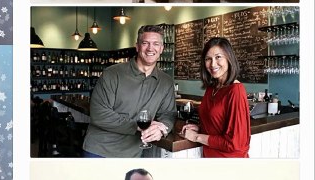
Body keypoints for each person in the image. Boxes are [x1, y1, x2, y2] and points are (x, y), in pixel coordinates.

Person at [82, 25, 177, 157]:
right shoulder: (112, 73)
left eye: (156, 44)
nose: (150, 48)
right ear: (137, 46)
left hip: (133, 154)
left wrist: (161, 129)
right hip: (100, 151)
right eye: (145, 43)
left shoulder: (166, 82)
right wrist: (136, 126)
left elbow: (168, 114)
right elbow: (99, 114)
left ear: (161, 48)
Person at [181, 37, 251, 158]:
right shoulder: (212, 88)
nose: (213, 64)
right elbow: (218, 125)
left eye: (218, 57)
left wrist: (197, 137)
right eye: (208, 59)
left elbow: (235, 143)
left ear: (229, 58)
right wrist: (201, 128)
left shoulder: (236, 91)